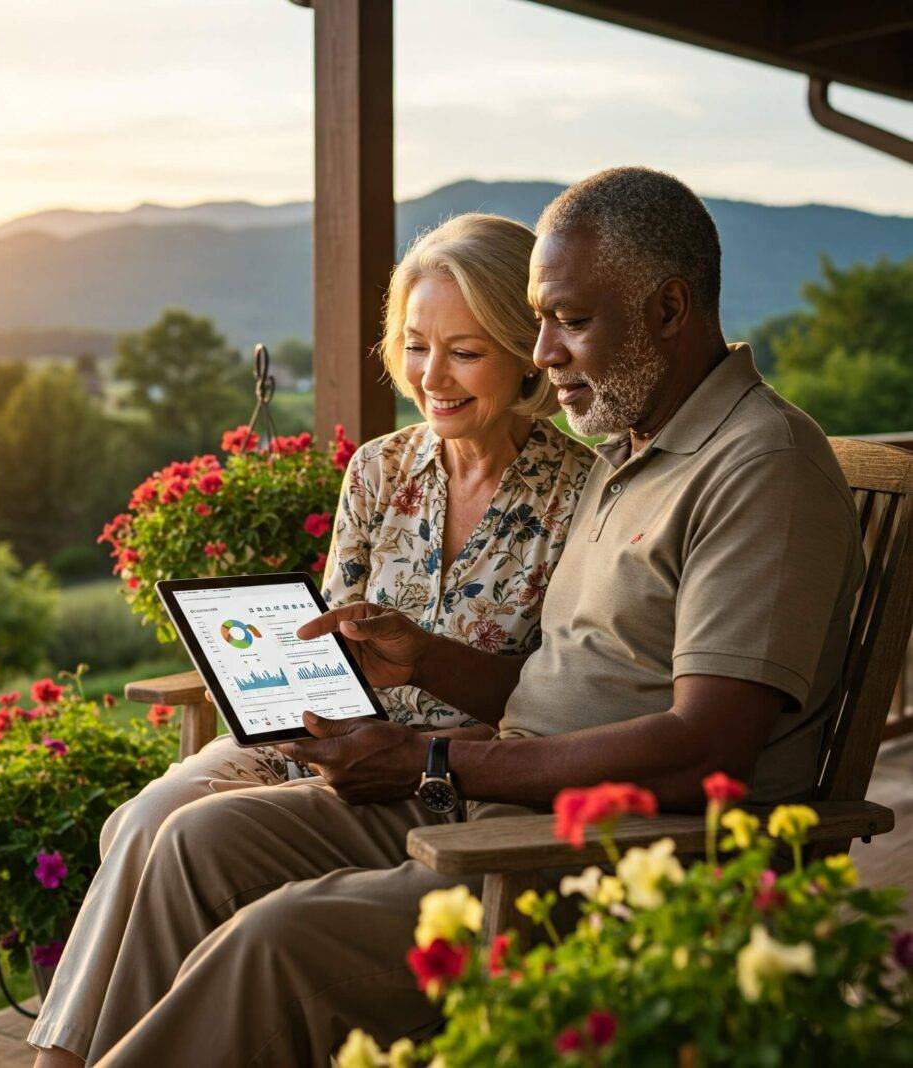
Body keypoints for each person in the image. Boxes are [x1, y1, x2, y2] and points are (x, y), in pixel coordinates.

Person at [71, 168, 864, 1068]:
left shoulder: (760, 466)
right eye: (536, 321)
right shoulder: (632, 451)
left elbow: (707, 747)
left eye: (569, 319)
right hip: (484, 795)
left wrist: (432, 757)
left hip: (593, 854)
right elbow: (545, 686)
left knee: (275, 943)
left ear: (671, 309)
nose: (543, 352)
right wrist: (426, 660)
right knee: (195, 841)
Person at [29, 212, 595, 1066]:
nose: (431, 376)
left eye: (466, 351)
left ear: (524, 351)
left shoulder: (577, 494)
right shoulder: (379, 469)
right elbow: (323, 634)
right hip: (315, 738)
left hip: (425, 771)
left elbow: (556, 693)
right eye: (414, 346)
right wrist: (263, 667)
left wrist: (414, 699)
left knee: (180, 840)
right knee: (145, 817)